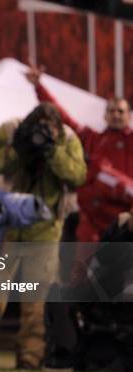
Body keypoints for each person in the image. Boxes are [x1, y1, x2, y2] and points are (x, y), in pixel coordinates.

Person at [0, 103, 87, 370]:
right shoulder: (11, 131)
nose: (42, 131)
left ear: (57, 126)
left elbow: (78, 175)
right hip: (7, 227)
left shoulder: (66, 138)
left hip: (45, 230)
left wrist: (52, 150)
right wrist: (18, 149)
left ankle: (30, 359)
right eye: (37, 126)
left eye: (48, 127)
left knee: (36, 300)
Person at [25, 64, 132, 243]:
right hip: (90, 225)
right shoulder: (91, 138)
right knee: (82, 270)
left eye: (120, 111)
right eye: (111, 111)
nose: (115, 115)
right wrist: (38, 87)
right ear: (105, 116)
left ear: (129, 115)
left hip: (124, 222)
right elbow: (62, 118)